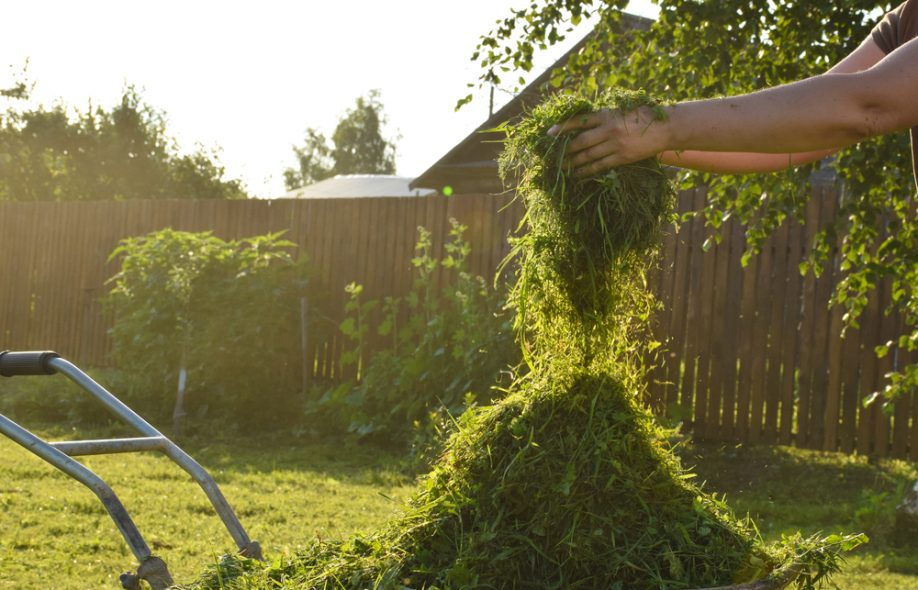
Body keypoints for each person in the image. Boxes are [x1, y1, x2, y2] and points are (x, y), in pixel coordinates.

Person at [549, 1, 918, 188]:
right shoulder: (907, 18)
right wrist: (638, 142)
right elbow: (804, 130)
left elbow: (866, 107)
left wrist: (656, 127)